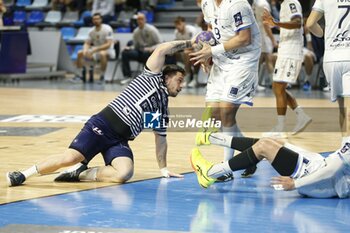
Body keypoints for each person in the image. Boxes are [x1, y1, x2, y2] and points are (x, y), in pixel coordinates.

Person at [6, 39, 192, 187]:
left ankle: (80, 173)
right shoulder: (151, 77)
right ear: (167, 76)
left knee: (124, 173)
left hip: (119, 140)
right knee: (70, 157)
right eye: (180, 80)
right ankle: (23, 174)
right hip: (101, 126)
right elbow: (162, 49)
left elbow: (160, 139)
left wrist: (164, 168)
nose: (182, 86)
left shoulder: (162, 107)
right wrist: (190, 43)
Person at [189, 0, 261, 182]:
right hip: (221, 59)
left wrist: (212, 51)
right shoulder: (206, 3)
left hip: (243, 60)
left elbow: (245, 38)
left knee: (227, 110)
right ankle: (249, 154)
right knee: (214, 113)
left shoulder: (238, 4)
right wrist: (206, 51)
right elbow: (211, 28)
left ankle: (226, 168)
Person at [190, 131, 350, 198]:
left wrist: (295, 183)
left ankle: (210, 173)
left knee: (264, 148)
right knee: (274, 142)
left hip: (317, 178)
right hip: (321, 168)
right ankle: (211, 137)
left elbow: (332, 170)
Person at [262, 0, 312, 138]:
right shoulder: (284, 4)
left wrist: (276, 23)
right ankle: (300, 115)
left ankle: (281, 127)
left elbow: (297, 23)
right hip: (286, 50)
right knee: (278, 87)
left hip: (291, 51)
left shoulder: (291, 2)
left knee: (278, 86)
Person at [306, 0, 350, 144]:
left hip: (332, 57)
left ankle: (344, 147)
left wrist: (324, 34)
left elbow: (310, 24)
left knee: (343, 108)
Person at [121, 12, 161, 84]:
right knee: (125, 53)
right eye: (138, 19)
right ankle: (127, 76)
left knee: (146, 54)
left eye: (141, 19)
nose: (140, 21)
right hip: (140, 52)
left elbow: (160, 43)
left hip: (151, 53)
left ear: (145, 20)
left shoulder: (152, 30)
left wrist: (151, 48)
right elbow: (136, 46)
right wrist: (129, 48)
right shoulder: (136, 31)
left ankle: (146, 78)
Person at [75, 13, 115, 83]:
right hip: (95, 50)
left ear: (101, 20)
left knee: (102, 54)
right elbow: (87, 43)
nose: (96, 20)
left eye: (97, 19)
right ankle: (80, 75)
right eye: (94, 19)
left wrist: (94, 50)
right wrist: (85, 50)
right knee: (80, 53)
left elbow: (108, 44)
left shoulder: (107, 29)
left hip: (108, 50)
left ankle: (102, 75)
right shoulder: (91, 31)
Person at [252, 0, 278, 90]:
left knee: (261, 59)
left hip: (256, 32)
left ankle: (256, 83)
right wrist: (273, 40)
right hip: (263, 33)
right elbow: (266, 24)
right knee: (268, 58)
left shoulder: (256, 2)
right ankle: (274, 83)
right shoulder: (264, 4)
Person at [173, 16, 199, 87]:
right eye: (176, 25)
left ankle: (193, 79)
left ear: (184, 23)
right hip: (185, 52)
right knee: (175, 52)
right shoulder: (176, 32)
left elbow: (195, 44)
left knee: (187, 53)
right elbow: (177, 45)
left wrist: (186, 48)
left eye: (179, 24)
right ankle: (185, 76)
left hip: (198, 50)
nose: (178, 26)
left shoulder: (191, 30)